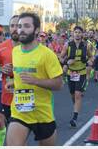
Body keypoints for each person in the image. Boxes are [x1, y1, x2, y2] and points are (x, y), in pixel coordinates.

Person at [5, 12, 63, 146]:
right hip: (20, 111)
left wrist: (35, 81)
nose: (21, 30)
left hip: (42, 114)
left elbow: (59, 84)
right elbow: (20, 77)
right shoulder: (15, 51)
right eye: (19, 26)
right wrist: (13, 83)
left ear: (36, 30)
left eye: (26, 26)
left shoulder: (47, 54)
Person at [60, 26, 94, 127]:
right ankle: (76, 106)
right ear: (73, 33)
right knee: (72, 95)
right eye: (76, 32)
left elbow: (91, 56)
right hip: (71, 73)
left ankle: (75, 117)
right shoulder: (68, 45)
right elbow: (61, 58)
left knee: (78, 94)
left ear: (82, 34)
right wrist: (66, 61)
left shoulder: (86, 45)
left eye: (79, 32)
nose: (77, 34)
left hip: (82, 72)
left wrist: (90, 61)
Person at [0, 15, 20, 124]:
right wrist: (0, 69)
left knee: (19, 132)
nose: (15, 28)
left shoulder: (31, 47)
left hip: (26, 96)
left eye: (18, 25)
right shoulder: (0, 48)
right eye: (12, 25)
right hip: (8, 96)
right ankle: (0, 141)